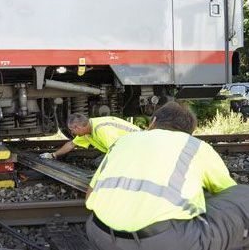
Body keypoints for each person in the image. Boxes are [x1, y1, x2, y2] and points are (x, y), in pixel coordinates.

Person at [85, 101, 249, 250]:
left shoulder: (123, 141)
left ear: (153, 122)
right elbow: (227, 192)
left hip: (99, 235)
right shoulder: (196, 146)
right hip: (164, 242)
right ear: (190, 131)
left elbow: (89, 196)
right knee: (243, 195)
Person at [40, 113, 140, 161]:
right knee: (98, 163)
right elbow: (71, 144)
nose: (71, 132)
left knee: (102, 165)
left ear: (78, 127)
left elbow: (116, 152)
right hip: (128, 149)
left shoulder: (102, 130)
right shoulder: (87, 130)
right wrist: (53, 155)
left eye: (72, 129)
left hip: (139, 147)